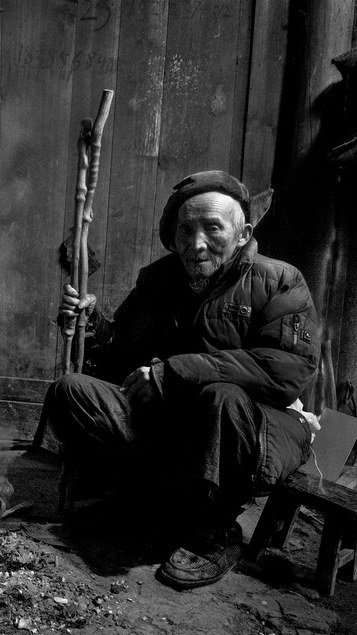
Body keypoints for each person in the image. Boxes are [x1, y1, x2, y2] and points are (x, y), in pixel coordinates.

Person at [33, 170, 321, 589]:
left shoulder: (279, 280)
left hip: (256, 427)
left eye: (212, 228)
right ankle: (142, 500)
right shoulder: (159, 279)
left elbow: (284, 371)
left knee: (221, 396)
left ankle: (215, 530)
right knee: (71, 391)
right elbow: (123, 356)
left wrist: (175, 371)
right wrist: (92, 326)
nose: (196, 242)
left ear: (243, 234)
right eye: (186, 229)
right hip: (170, 423)